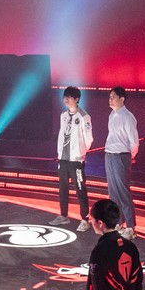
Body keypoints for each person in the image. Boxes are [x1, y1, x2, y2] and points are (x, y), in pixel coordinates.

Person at [54, 86, 92, 229]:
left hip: (76, 159)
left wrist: (81, 153)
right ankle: (63, 216)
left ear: (76, 99)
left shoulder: (84, 116)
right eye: (64, 96)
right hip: (63, 158)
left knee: (80, 189)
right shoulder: (63, 115)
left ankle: (85, 219)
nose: (66, 99)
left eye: (69, 97)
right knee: (63, 188)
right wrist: (59, 152)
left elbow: (89, 138)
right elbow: (61, 134)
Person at [103, 87, 138, 236]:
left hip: (121, 155)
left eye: (113, 97)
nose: (110, 99)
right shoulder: (112, 115)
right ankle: (118, 221)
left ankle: (130, 226)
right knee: (113, 192)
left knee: (123, 191)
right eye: (109, 97)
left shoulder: (127, 117)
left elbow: (134, 141)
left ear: (122, 99)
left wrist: (129, 156)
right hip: (109, 154)